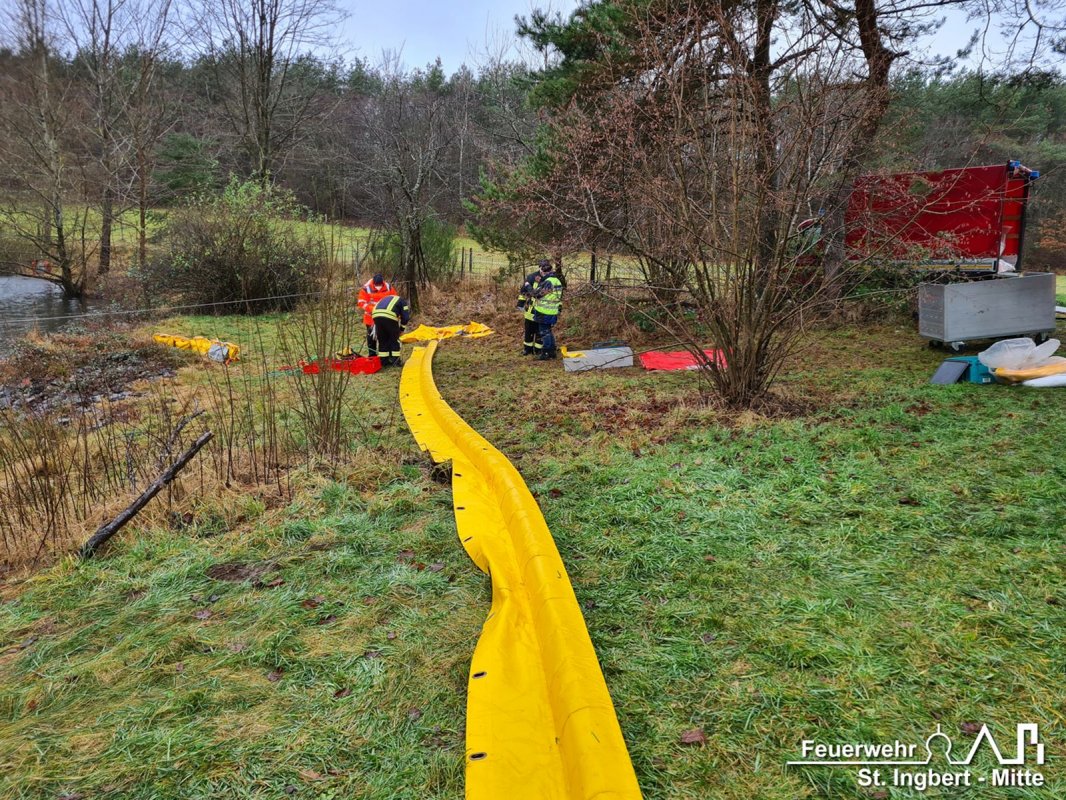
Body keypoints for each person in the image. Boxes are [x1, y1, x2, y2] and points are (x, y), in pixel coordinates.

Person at [357, 273, 397, 356]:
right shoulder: (366, 288)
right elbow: (361, 302)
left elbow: (395, 299)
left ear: (382, 282)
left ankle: (385, 355)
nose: (378, 287)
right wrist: (373, 309)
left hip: (385, 317)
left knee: (384, 336)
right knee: (371, 337)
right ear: (373, 283)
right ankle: (372, 355)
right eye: (376, 285)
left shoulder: (388, 287)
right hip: (370, 318)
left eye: (380, 285)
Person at [531, 261, 564, 360]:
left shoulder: (548, 282)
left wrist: (529, 287)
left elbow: (538, 294)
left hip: (544, 311)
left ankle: (546, 353)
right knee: (548, 331)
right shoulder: (557, 281)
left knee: (544, 332)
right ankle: (552, 352)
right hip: (552, 310)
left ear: (543, 272)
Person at [371, 294, 411, 367]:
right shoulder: (403, 302)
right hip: (389, 315)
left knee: (382, 340)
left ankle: (384, 362)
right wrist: (401, 330)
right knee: (394, 339)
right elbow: (405, 318)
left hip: (375, 315)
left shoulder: (388, 298)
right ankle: (396, 362)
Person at [517, 262, 546, 355]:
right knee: (529, 330)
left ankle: (538, 350)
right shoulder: (531, 277)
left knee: (540, 331)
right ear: (540, 267)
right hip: (531, 308)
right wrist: (520, 304)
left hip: (543, 310)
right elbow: (523, 292)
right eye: (543, 268)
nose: (544, 271)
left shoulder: (550, 279)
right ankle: (527, 349)